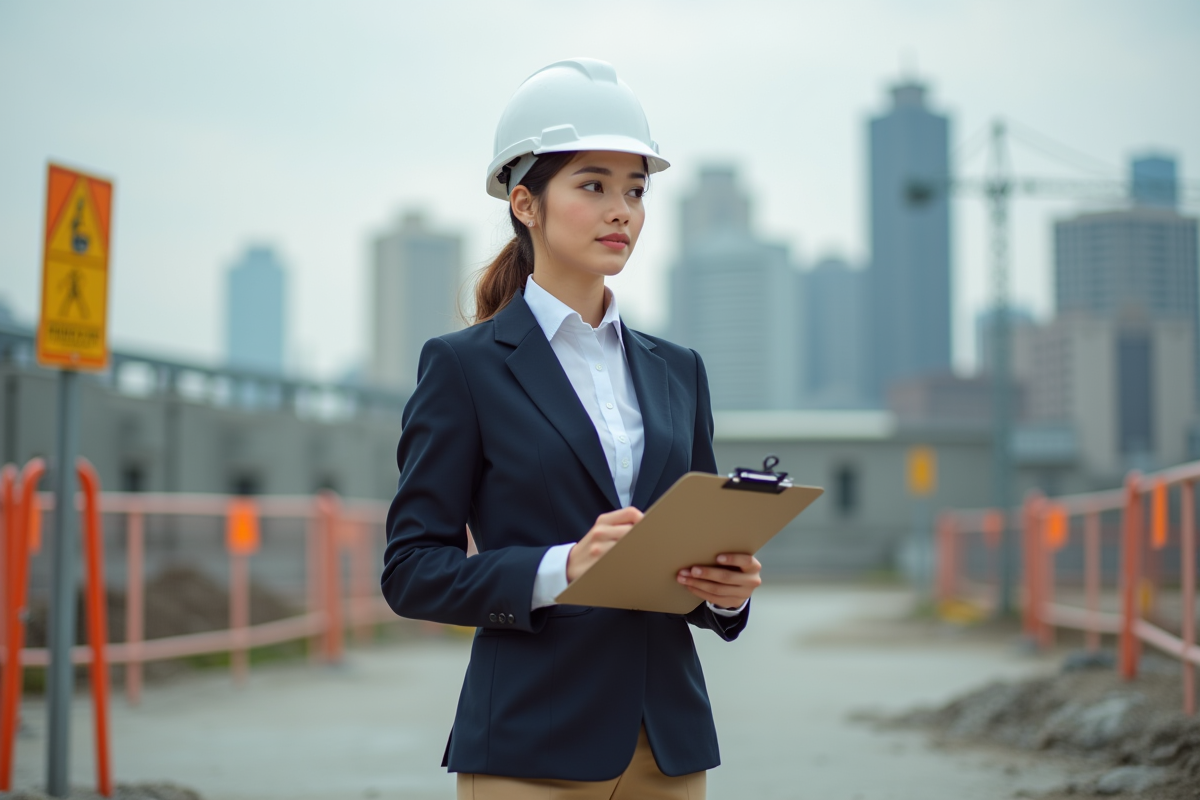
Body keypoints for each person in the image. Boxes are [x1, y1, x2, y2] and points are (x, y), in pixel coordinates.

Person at [381, 57, 763, 800]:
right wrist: (561, 569)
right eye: (593, 185)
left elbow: (694, 551)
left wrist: (726, 593)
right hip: (531, 746)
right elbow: (410, 571)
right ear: (526, 203)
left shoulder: (679, 371)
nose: (622, 209)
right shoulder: (464, 369)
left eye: (635, 189)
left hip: (670, 747)